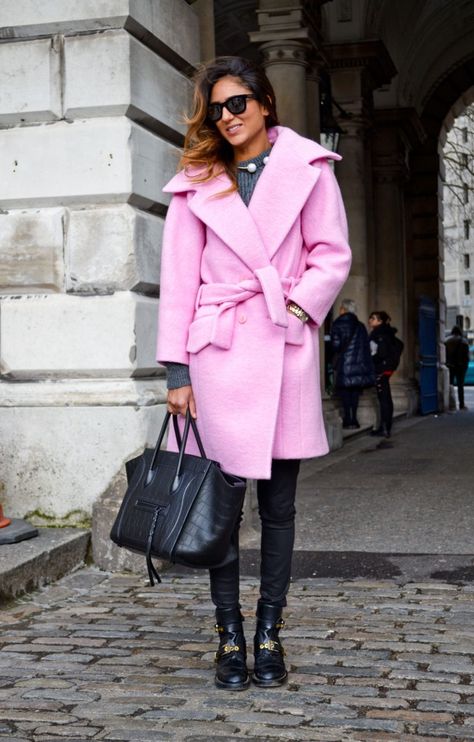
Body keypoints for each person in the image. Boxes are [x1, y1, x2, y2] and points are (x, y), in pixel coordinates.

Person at [156, 56, 351, 691]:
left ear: (266, 103)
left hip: (283, 342)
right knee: (221, 503)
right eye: (216, 108)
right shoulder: (197, 182)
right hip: (218, 352)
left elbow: (331, 254)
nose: (228, 117)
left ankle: (269, 629)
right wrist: (176, 371)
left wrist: (296, 310)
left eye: (238, 103)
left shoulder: (309, 170)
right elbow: (179, 281)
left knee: (280, 504)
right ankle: (228, 632)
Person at [330, 299, 375, 429]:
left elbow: (335, 346)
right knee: (354, 393)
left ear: (343, 309)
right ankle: (354, 419)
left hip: (344, 364)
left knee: (345, 394)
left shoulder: (337, 324)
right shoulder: (360, 326)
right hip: (358, 365)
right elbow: (364, 347)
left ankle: (347, 420)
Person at [368, 310, 402, 437]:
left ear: (380, 321)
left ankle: (384, 428)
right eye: (370, 318)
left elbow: (381, 353)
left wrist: (373, 361)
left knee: (383, 399)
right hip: (386, 369)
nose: (370, 320)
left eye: (373, 318)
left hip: (381, 369)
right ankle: (386, 426)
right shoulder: (387, 333)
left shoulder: (379, 334)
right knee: (386, 397)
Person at [445, 325, 469, 410]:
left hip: (449, 366)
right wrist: (465, 367)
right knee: (460, 386)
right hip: (460, 367)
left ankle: (449, 403)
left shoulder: (446, 340)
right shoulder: (464, 342)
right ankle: (461, 404)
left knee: (449, 385)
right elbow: (466, 357)